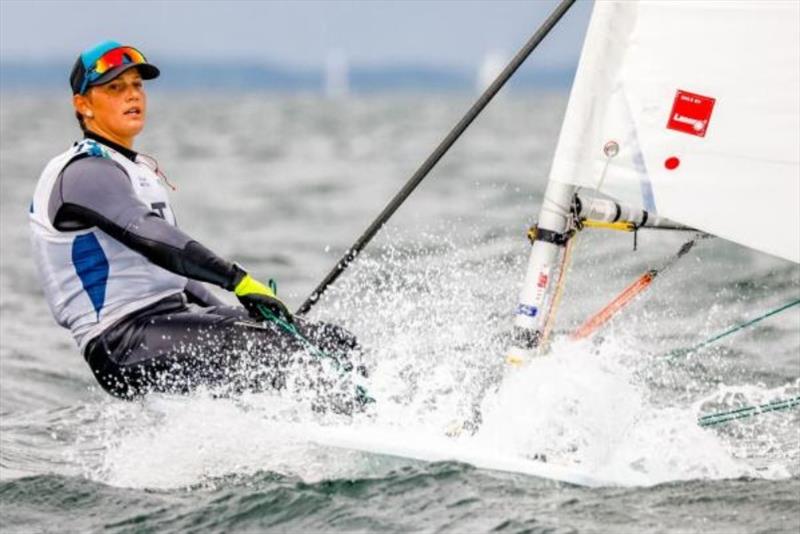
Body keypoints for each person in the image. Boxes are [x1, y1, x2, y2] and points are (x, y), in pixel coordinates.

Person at [29, 41, 365, 409]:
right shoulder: (83, 173)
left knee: (331, 342)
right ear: (83, 105)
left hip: (169, 318)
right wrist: (238, 281)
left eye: (137, 85)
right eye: (115, 88)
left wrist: (248, 312)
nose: (132, 95)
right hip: (121, 341)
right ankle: (353, 418)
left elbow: (175, 275)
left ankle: (383, 414)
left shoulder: (134, 169)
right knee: (285, 356)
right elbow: (152, 238)